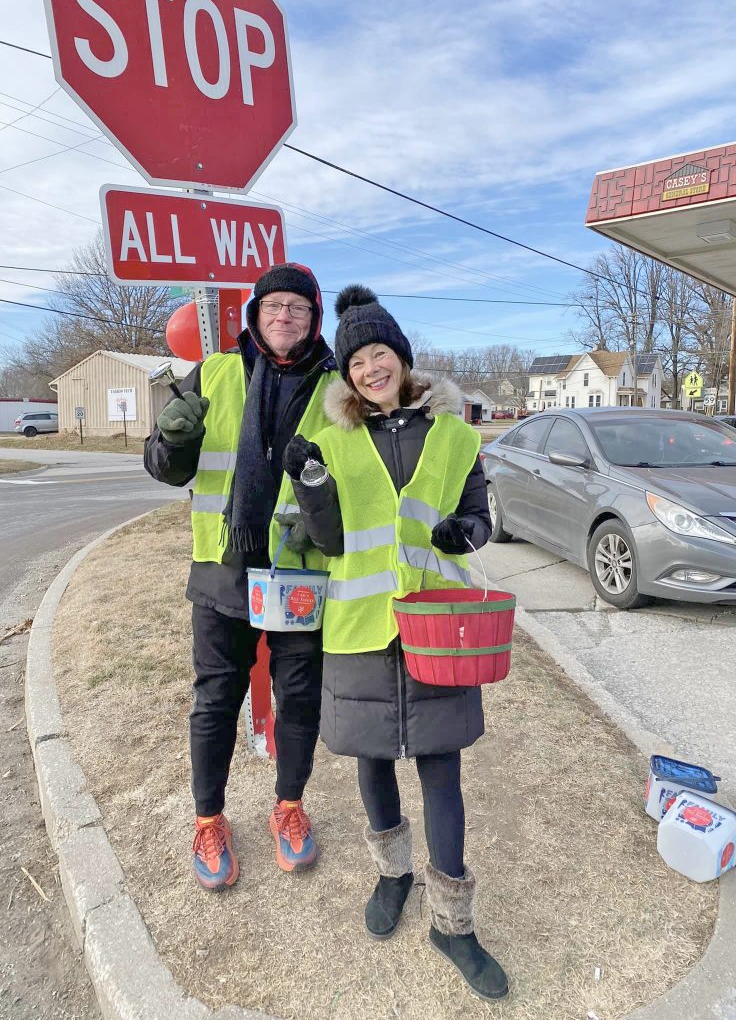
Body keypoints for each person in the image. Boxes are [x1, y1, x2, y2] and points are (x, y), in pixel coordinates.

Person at [283, 285, 509, 1000]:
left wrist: (465, 532)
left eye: (379, 353)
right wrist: (309, 482)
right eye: (356, 362)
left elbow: (478, 515)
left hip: (438, 625)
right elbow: (326, 540)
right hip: (359, 627)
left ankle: (453, 924)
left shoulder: (456, 436)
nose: (370, 369)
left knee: (442, 769)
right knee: (372, 761)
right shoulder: (332, 441)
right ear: (346, 375)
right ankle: (393, 875)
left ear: (403, 358)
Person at [144, 263, 338, 891]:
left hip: (300, 569)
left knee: (299, 697)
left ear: (314, 319)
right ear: (255, 314)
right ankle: (208, 820)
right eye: (274, 304)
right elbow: (165, 467)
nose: (285, 316)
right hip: (223, 568)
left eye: (299, 307)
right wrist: (173, 439)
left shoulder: (339, 389)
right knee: (215, 700)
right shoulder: (215, 373)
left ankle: (289, 806)